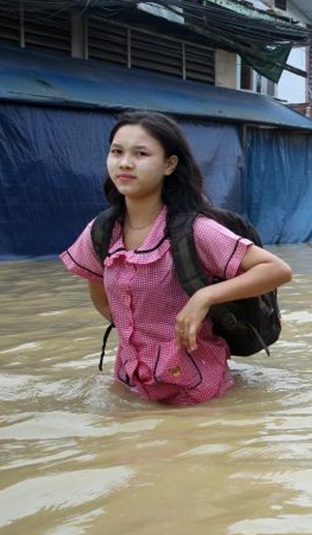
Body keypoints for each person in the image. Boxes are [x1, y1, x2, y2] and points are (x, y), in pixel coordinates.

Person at [61, 111, 292, 406]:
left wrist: (204, 298)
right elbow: (103, 299)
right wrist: (143, 334)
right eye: (116, 152)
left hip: (198, 394)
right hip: (130, 385)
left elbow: (277, 270)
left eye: (141, 153)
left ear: (169, 164)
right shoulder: (101, 232)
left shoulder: (195, 231)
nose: (125, 163)